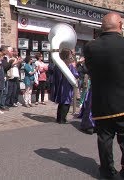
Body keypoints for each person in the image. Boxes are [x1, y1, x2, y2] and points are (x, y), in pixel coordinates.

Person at [84, 12, 124, 179]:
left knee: (104, 138)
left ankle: (107, 171)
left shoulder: (90, 47)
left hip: (101, 102)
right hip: (122, 101)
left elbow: (90, 70)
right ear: (120, 26)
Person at [51, 49, 79, 124]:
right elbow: (76, 74)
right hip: (66, 86)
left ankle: (59, 118)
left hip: (61, 86)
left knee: (61, 103)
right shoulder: (69, 65)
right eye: (70, 54)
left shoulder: (59, 64)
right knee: (66, 102)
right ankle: (63, 119)